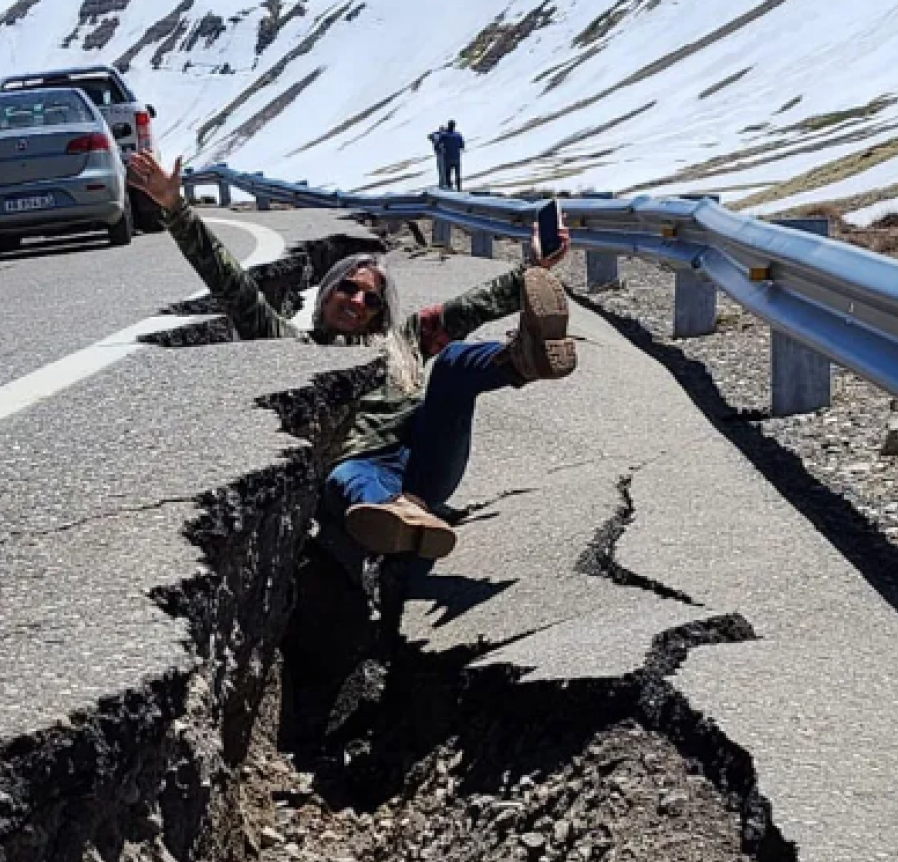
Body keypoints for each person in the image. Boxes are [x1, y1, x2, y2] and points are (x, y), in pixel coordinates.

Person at [127, 152, 575, 560]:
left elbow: (473, 306)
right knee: (347, 476)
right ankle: (398, 518)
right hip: (362, 469)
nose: (357, 301)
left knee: (455, 361)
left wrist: (533, 269)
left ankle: (524, 358)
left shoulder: (405, 340)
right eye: (348, 288)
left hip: (427, 457)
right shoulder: (289, 346)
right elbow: (231, 284)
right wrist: (176, 209)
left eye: (370, 299)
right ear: (326, 293)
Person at [439, 121, 465, 191]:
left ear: (448, 125)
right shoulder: (458, 135)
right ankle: (459, 189)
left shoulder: (444, 135)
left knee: (448, 175)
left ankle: (450, 189)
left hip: (447, 158)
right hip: (457, 158)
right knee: (458, 175)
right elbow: (462, 146)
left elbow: (438, 143)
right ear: (454, 126)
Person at [428, 124, 449, 189]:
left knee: (442, 170)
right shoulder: (440, 135)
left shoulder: (439, 135)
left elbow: (430, 136)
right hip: (442, 154)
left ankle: (443, 184)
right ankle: (443, 184)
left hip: (441, 154)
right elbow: (429, 136)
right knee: (442, 169)